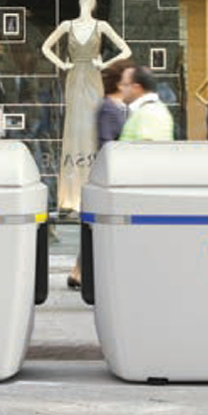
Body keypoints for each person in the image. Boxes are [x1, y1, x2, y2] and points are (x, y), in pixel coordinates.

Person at [40, 0, 133, 216]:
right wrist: (62, 65)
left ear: (93, 3)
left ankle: (90, 189)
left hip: (92, 77)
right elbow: (45, 47)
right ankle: (70, 197)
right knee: (73, 128)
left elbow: (125, 50)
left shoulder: (101, 26)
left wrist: (105, 64)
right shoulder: (67, 25)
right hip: (74, 78)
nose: (86, 0)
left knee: (92, 126)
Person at [69, 60, 131, 290]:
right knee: (96, 225)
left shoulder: (120, 105)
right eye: (126, 79)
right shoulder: (107, 106)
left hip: (113, 171)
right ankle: (79, 272)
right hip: (108, 172)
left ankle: (78, 271)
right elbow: (106, 141)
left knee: (95, 225)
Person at [118, 65, 174, 141]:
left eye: (124, 84)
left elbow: (147, 148)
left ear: (137, 88)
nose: (120, 88)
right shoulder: (150, 109)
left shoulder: (150, 113)